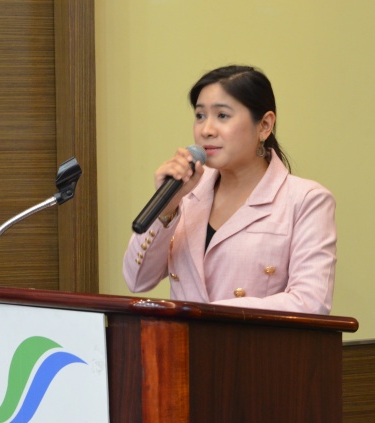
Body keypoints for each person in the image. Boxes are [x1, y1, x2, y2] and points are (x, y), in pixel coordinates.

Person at [123, 65, 336, 315]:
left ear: (264, 125)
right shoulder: (186, 193)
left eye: (222, 115)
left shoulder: (306, 200)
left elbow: (311, 303)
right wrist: (167, 207)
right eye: (200, 115)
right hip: (184, 341)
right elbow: (137, 281)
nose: (206, 130)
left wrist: (208, 315)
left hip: (251, 341)